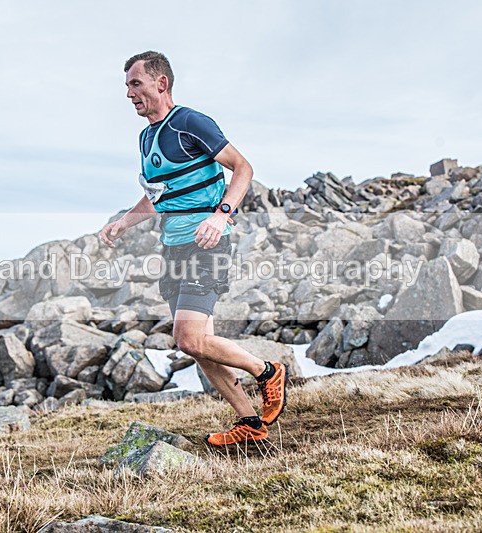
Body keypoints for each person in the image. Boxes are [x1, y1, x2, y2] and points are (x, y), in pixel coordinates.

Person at [99, 51, 288, 447]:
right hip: (174, 248)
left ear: (161, 83)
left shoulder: (188, 122)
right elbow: (157, 198)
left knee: (188, 339)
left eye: (136, 84)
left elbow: (243, 168)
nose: (129, 93)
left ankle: (267, 371)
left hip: (208, 243)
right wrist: (122, 222)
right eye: (127, 86)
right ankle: (251, 423)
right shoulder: (146, 137)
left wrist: (220, 215)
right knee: (200, 347)